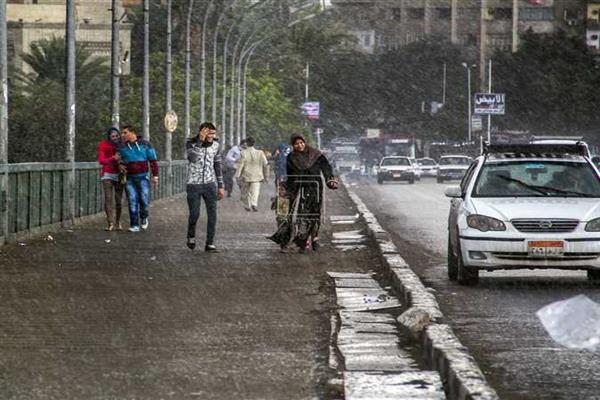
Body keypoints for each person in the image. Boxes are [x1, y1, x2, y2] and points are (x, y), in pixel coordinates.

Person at [279, 133, 338, 253]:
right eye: (296, 144)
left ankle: (314, 238)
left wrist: (329, 179)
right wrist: (286, 187)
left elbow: (326, 167)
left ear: (304, 143)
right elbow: (290, 174)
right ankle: (302, 240)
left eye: (301, 143)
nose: (299, 145)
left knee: (315, 212)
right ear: (293, 145)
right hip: (299, 186)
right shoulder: (291, 157)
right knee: (301, 213)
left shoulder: (316, 154)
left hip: (314, 186)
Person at [185, 122, 225, 252]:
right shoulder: (190, 144)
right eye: (209, 133)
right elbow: (193, 158)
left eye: (214, 133)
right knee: (194, 214)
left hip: (210, 184)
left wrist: (220, 185)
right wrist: (200, 142)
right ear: (202, 132)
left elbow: (217, 166)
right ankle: (191, 235)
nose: (212, 136)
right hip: (193, 184)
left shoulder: (216, 146)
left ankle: (210, 243)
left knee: (212, 215)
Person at [117, 125, 159, 232]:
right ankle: (134, 224)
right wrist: (120, 164)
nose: (122, 135)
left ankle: (144, 217)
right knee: (132, 200)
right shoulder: (121, 146)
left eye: (125, 133)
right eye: (122, 133)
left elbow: (153, 161)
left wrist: (155, 176)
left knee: (144, 199)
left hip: (143, 177)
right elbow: (119, 159)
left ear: (132, 133)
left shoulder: (145, 144)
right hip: (129, 177)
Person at [97, 127, 124, 231]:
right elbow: (101, 160)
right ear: (109, 137)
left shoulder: (122, 145)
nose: (115, 138)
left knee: (119, 200)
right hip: (107, 174)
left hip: (119, 174)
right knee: (108, 198)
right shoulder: (104, 144)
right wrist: (113, 158)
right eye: (112, 136)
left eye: (117, 136)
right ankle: (110, 223)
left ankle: (118, 222)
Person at [235, 137, 269, 212]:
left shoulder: (243, 152)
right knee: (255, 191)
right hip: (257, 175)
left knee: (245, 192)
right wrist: (266, 176)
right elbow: (266, 164)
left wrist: (237, 175)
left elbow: (240, 165)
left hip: (246, 176)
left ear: (247, 143)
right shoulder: (260, 152)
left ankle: (248, 205)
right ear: (254, 143)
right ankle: (254, 204)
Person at [269, 182, 292, 251]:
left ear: (287, 191)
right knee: (282, 231)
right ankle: (283, 246)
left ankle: (285, 245)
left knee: (287, 232)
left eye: (282, 190)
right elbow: (272, 208)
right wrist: (274, 202)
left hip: (288, 219)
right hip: (280, 219)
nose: (280, 191)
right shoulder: (277, 198)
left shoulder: (290, 199)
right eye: (279, 189)